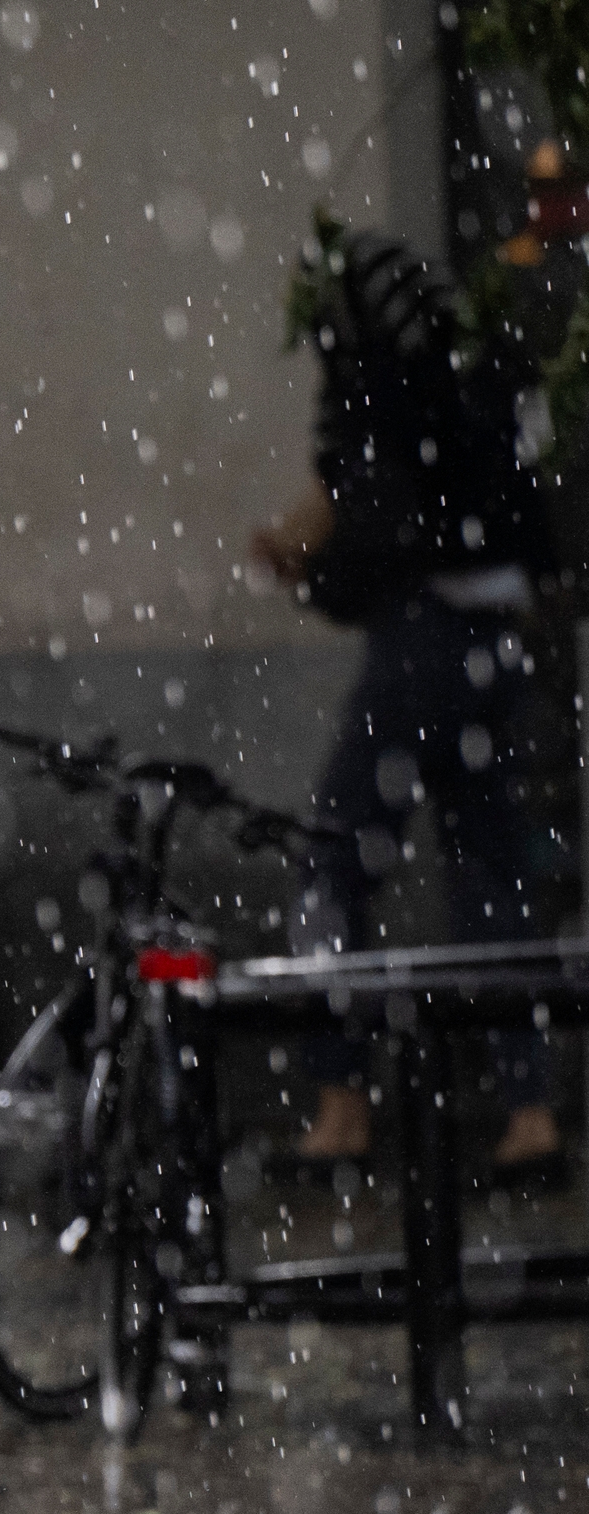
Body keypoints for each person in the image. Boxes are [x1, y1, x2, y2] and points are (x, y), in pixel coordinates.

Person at [250, 222, 566, 1187]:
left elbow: (365, 494)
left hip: (429, 637)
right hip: (499, 635)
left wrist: (306, 553)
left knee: (331, 862)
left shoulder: (386, 387)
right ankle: (530, 1115)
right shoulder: (473, 374)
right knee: (491, 871)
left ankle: (341, 1108)